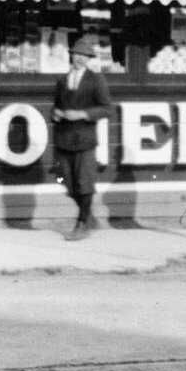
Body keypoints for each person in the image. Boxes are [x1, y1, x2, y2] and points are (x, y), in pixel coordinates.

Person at [50, 34, 114, 240]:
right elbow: (56, 106)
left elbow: (107, 109)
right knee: (68, 184)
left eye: (84, 55)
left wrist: (82, 114)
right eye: (77, 54)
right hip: (64, 139)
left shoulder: (96, 80)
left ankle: (82, 224)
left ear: (89, 59)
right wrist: (55, 114)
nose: (80, 58)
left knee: (84, 183)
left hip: (85, 139)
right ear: (71, 55)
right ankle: (88, 216)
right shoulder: (62, 80)